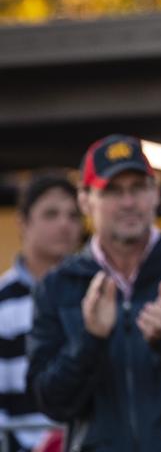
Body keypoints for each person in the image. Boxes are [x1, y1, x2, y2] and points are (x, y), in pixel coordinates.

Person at [27, 134, 161, 452]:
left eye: (138, 188)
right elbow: (50, 402)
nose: (128, 202)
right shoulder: (57, 287)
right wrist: (90, 341)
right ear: (85, 200)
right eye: (112, 190)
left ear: (155, 193)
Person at [0, 174, 82, 452]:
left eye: (73, 215)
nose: (64, 224)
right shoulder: (2, 302)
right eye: (51, 214)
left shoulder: (100, 293)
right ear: (23, 222)